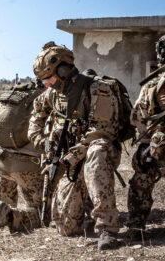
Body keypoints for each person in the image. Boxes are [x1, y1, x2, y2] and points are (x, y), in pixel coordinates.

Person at [27, 42, 122, 250]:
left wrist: (76, 153)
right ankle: (85, 212)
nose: (47, 84)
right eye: (43, 80)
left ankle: (107, 228)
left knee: (97, 150)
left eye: (49, 78)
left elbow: (103, 130)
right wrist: (40, 140)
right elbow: (36, 115)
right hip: (68, 159)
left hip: (95, 152)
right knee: (66, 227)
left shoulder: (97, 88)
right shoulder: (52, 94)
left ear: (63, 70)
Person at [0, 81, 46, 237]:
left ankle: (2, 210)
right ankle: (9, 217)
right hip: (28, 165)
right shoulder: (44, 98)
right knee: (41, 213)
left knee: (5, 203)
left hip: (2, 162)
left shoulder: (6, 98)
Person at [126, 35, 165, 240]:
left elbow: (136, 118)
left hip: (155, 148)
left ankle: (136, 227)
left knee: (140, 184)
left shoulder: (151, 85)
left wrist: (147, 143)